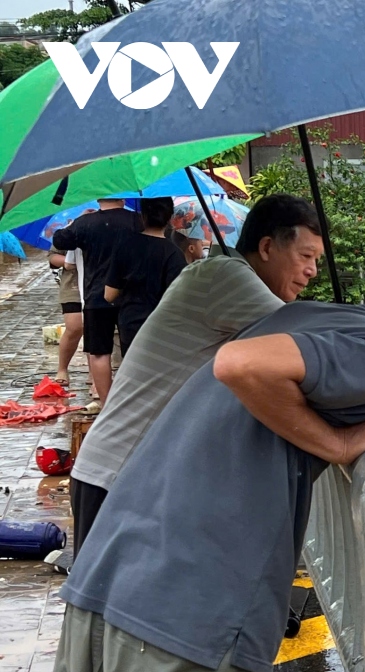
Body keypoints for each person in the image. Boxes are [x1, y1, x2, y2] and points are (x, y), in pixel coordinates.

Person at [47, 247, 365, 672]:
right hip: (181, 622)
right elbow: (237, 363)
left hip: (107, 581)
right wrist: (340, 445)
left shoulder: (325, 317)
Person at [68, 194, 325, 556]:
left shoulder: (224, 278)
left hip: (135, 479)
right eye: (306, 256)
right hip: (117, 479)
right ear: (267, 247)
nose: (313, 271)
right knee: (109, 613)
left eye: (316, 260)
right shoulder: (226, 277)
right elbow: (315, 344)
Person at [52, 198, 142, 405]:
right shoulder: (137, 220)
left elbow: (60, 240)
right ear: (123, 198)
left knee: (100, 352)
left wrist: (77, 221)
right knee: (134, 350)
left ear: (99, 198)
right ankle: (133, 401)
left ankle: (105, 403)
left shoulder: (85, 223)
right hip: (132, 296)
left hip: (96, 296)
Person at [104, 198, 187, 355]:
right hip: (161, 328)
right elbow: (178, 300)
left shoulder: (125, 246)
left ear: (143, 216)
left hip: (130, 324)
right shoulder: (174, 254)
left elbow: (109, 295)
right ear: (169, 218)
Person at [47, 247, 83, 385]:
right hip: (73, 287)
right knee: (75, 327)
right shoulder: (68, 231)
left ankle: (96, 375)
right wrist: (67, 262)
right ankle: (62, 369)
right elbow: (52, 256)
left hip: (98, 283)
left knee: (95, 329)